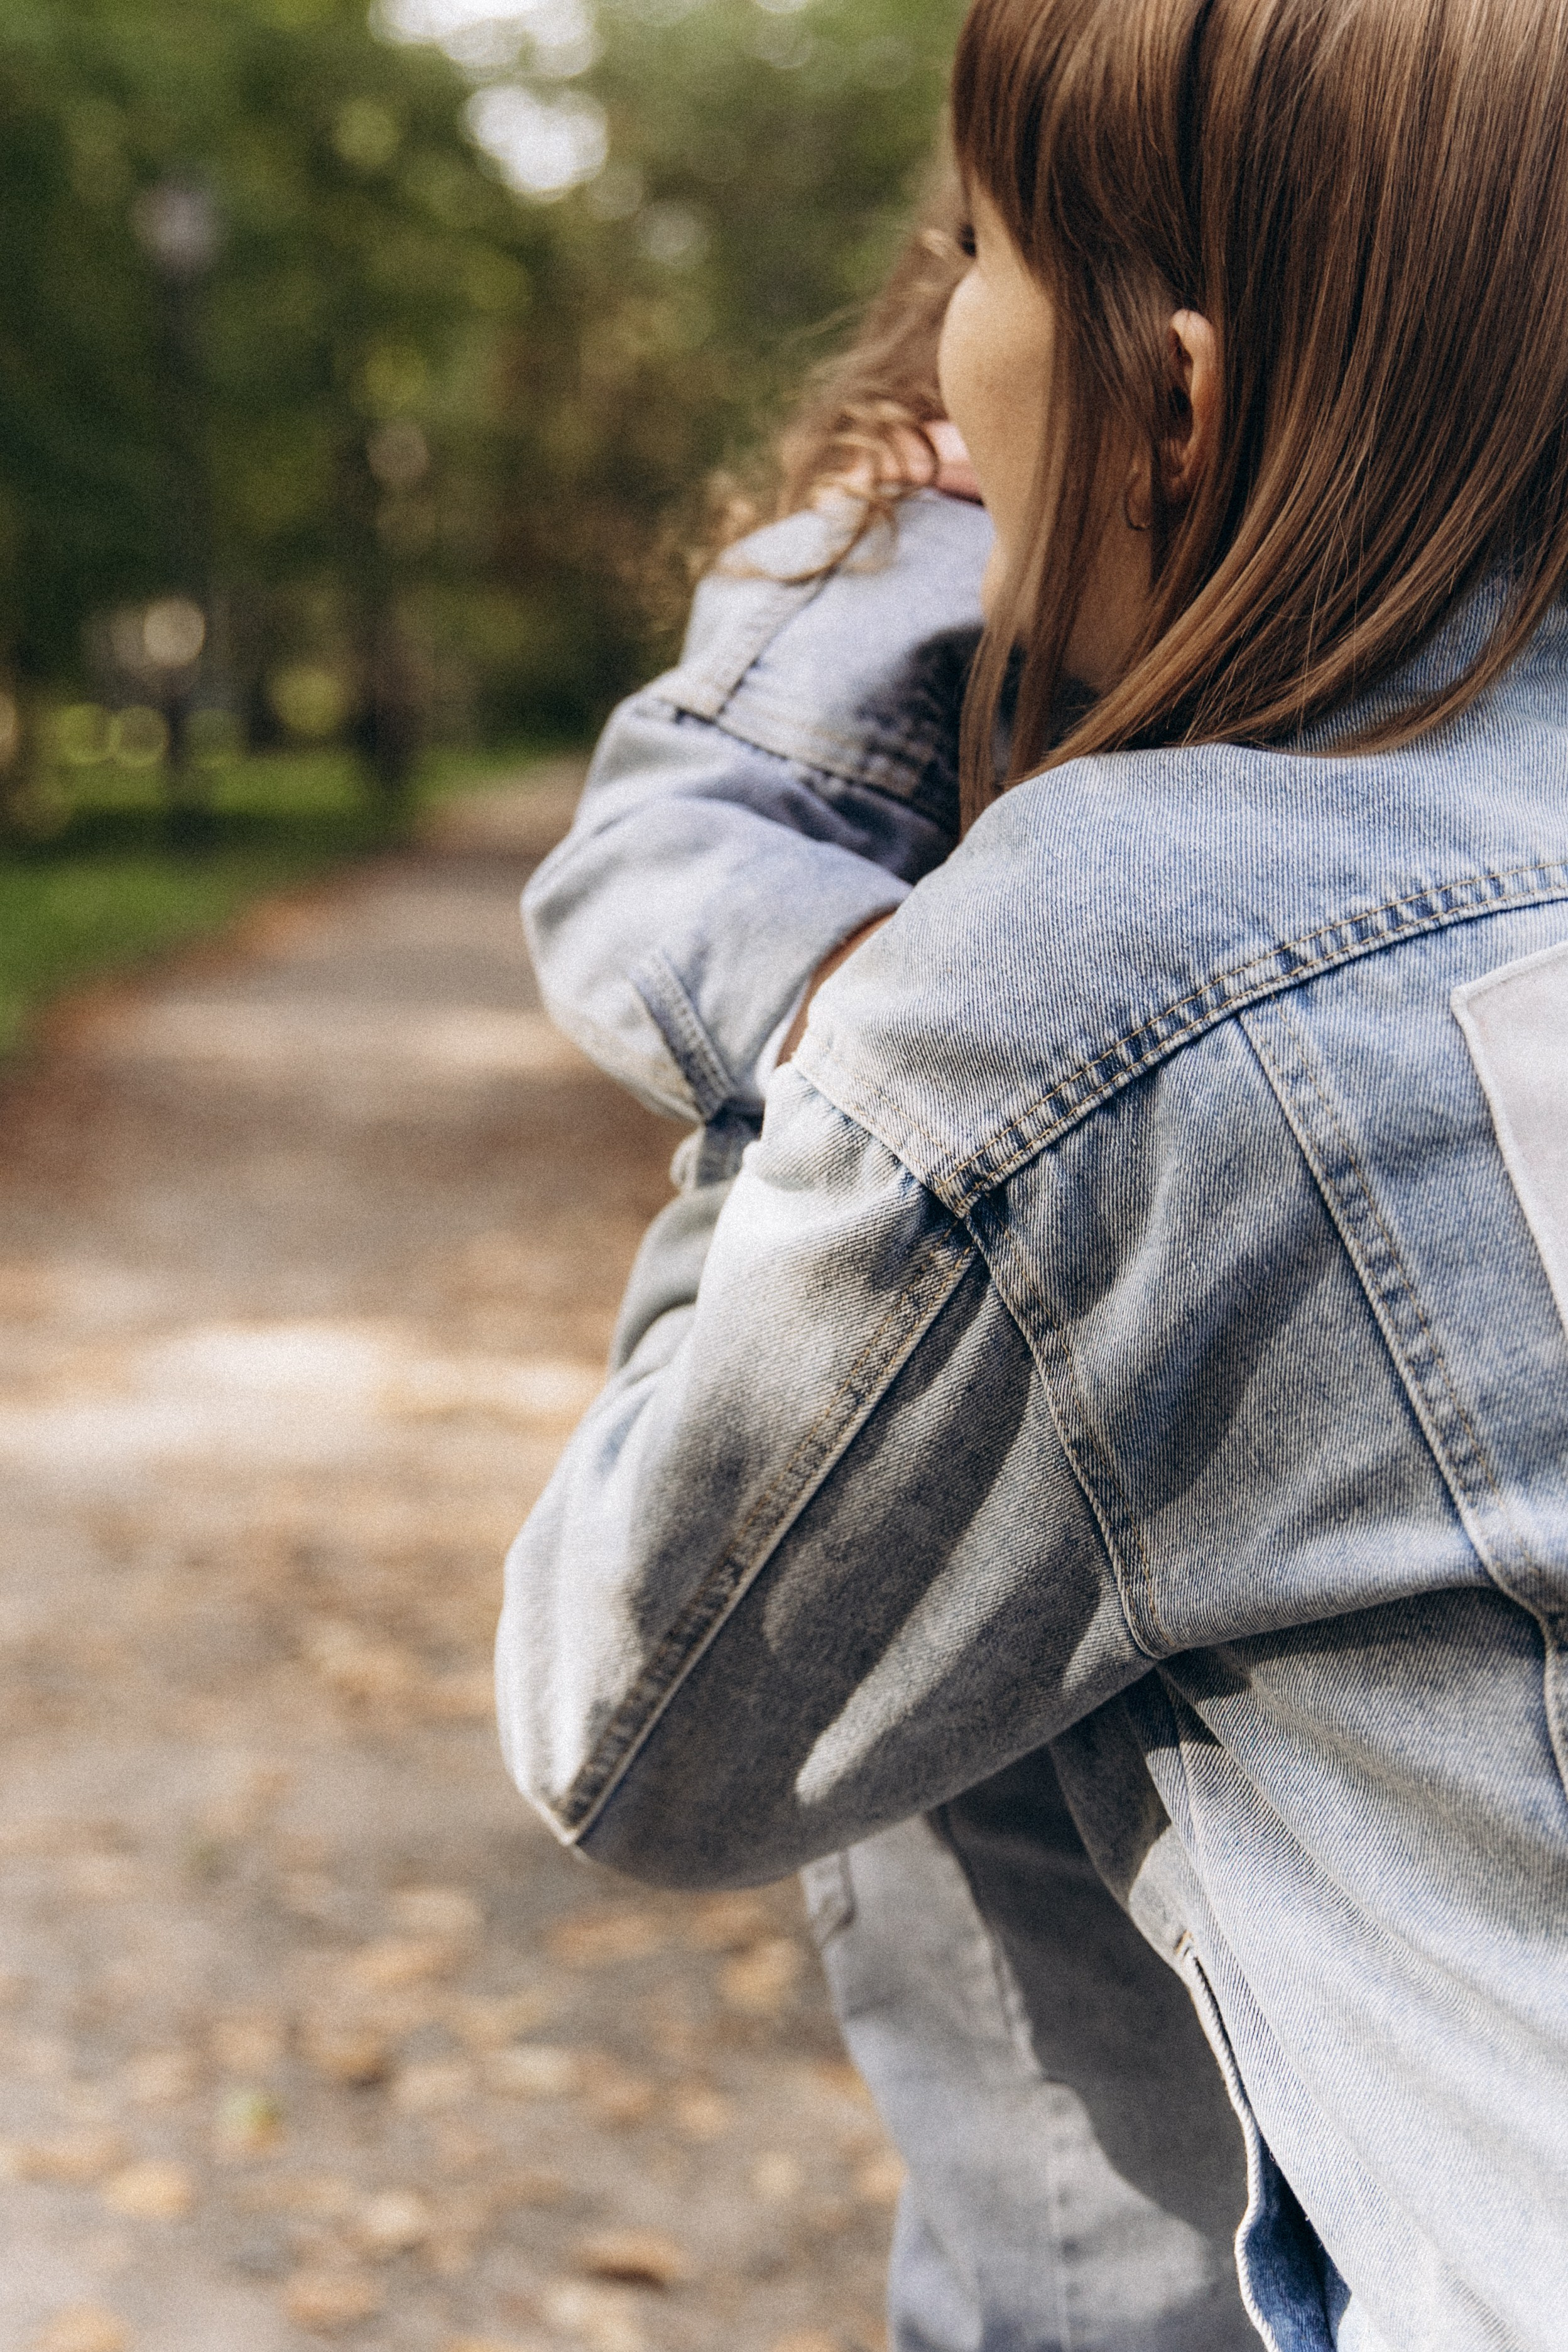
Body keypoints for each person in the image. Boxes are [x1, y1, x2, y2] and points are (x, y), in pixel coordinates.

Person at [501, 0, 1568, 2345]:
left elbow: (629, 1715)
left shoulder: (1110, 970)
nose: (938, 362)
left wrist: (835, 987)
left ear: (1173, 402)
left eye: (977, 253)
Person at [524, 173, 1253, 2352]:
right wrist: (887, 1035)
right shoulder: (916, 536)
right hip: (956, 1393)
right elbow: (656, 864)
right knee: (1085, 2188)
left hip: (1163, 1368)